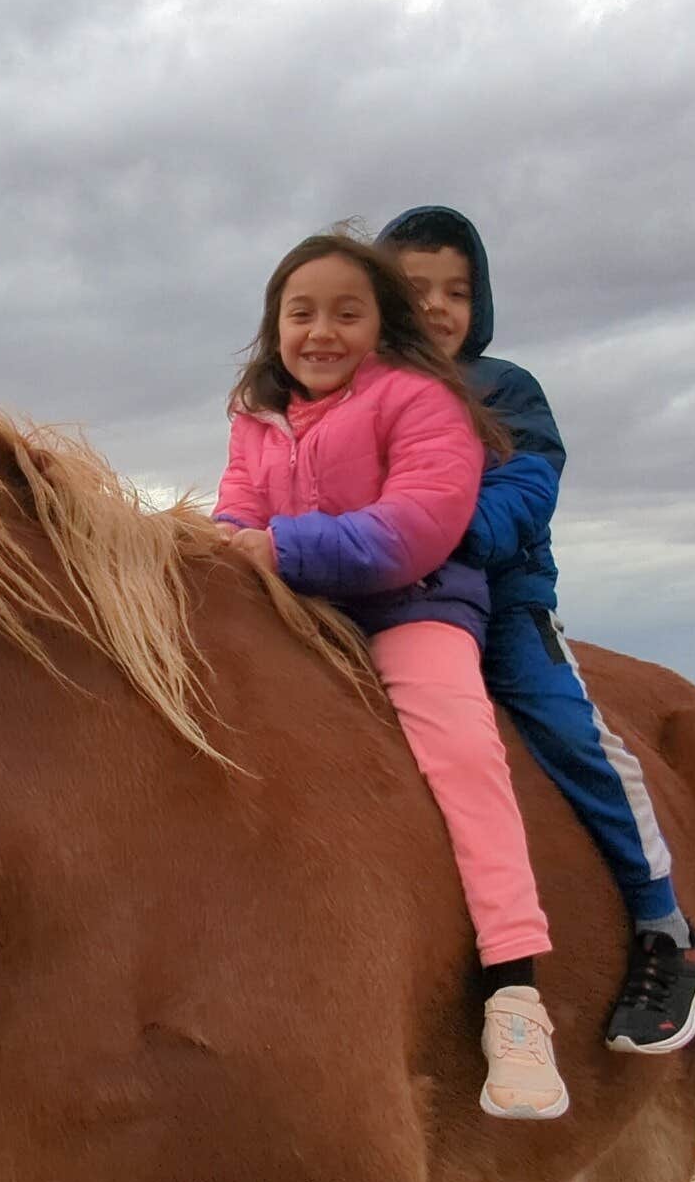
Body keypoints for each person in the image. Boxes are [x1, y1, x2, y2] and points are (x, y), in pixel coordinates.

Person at [213, 229, 568, 1120]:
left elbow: (420, 525)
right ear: (274, 326)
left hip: (411, 606)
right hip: (299, 610)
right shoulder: (256, 417)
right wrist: (223, 552)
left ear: (383, 324)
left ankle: (515, 996)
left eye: (346, 312)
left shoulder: (422, 401)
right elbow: (235, 513)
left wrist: (279, 548)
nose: (321, 331)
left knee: (463, 755)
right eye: (302, 313)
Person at [377, 205, 695, 1053]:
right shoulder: (362, 393)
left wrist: (425, 531)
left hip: (501, 605)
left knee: (572, 734)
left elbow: (525, 497)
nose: (439, 307)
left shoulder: (506, 390)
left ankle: (663, 927)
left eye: (458, 290)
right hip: (381, 601)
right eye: (416, 289)